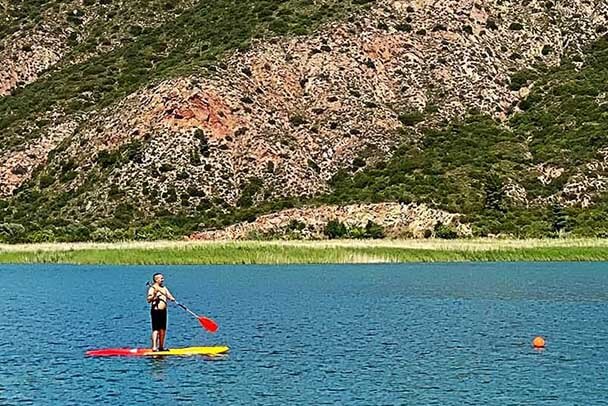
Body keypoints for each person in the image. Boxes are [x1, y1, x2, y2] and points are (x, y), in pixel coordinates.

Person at [147, 273, 175, 351]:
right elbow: (149, 300)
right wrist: (155, 296)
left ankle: (161, 347)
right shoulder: (152, 288)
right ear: (156, 279)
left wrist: (171, 298)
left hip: (163, 311)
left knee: (163, 329)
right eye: (161, 278)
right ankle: (154, 347)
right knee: (156, 329)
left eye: (163, 278)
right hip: (156, 311)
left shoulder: (164, 288)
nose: (163, 280)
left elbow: (169, 296)